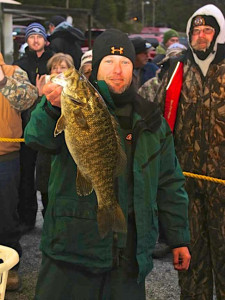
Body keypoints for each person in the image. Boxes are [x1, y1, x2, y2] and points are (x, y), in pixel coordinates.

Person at [24, 28, 191, 299]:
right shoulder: (69, 102)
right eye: (109, 62)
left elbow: (170, 181)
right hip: (71, 255)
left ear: (133, 66)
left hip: (129, 259)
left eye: (124, 62)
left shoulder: (151, 120)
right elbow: (36, 138)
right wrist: (51, 108)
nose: (118, 69)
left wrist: (179, 237)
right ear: (96, 68)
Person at [156, 4, 225, 299]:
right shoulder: (176, 69)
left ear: (219, 34)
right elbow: (150, 111)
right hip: (186, 186)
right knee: (190, 257)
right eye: (195, 31)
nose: (200, 36)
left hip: (223, 185)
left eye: (207, 30)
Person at [0, 52, 38, 290]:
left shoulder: (15, 72)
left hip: (6, 157)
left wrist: (4, 81)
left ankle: (10, 267)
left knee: (5, 215)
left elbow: (28, 99)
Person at [14, 22, 53, 233]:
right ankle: (27, 218)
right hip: (25, 126)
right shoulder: (20, 64)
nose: (35, 39)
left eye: (39, 35)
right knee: (26, 174)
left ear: (45, 39)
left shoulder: (54, 60)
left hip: (48, 122)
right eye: (31, 36)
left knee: (48, 173)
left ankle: (50, 217)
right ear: (27, 40)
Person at [35, 53, 74, 216]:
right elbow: (34, 125)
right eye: (54, 68)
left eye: (62, 68)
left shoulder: (77, 94)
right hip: (46, 154)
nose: (57, 71)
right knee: (46, 196)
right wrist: (40, 96)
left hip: (68, 153)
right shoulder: (44, 94)